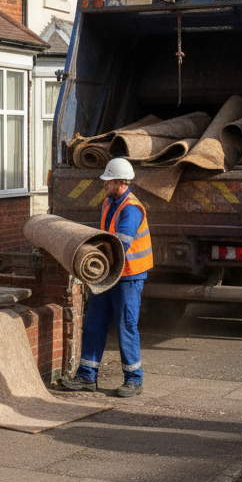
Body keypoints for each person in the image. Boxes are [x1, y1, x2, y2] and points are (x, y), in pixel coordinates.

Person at [60, 158, 153, 398]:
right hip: (108, 275)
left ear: (121, 182)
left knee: (125, 326)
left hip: (128, 277)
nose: (104, 184)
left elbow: (119, 245)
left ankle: (134, 379)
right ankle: (86, 376)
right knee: (94, 323)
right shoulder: (108, 203)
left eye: (108, 181)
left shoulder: (131, 208)